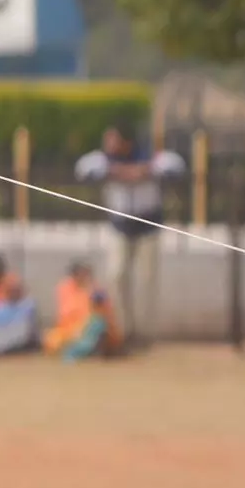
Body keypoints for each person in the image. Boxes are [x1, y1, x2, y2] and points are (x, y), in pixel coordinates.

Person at [74, 127, 185, 348]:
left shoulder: (149, 156)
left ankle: (146, 334)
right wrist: (119, 171)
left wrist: (144, 170)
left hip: (148, 226)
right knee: (116, 275)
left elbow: (175, 166)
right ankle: (124, 330)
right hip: (119, 226)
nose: (108, 144)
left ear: (126, 142)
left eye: (112, 140)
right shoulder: (104, 160)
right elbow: (83, 169)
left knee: (147, 279)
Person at [46, 260, 122, 361]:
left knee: (97, 324)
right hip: (71, 330)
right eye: (81, 273)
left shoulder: (96, 291)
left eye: (86, 274)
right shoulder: (65, 288)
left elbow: (105, 313)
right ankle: (81, 351)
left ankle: (76, 352)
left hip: (92, 329)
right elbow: (65, 315)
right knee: (51, 338)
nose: (84, 277)